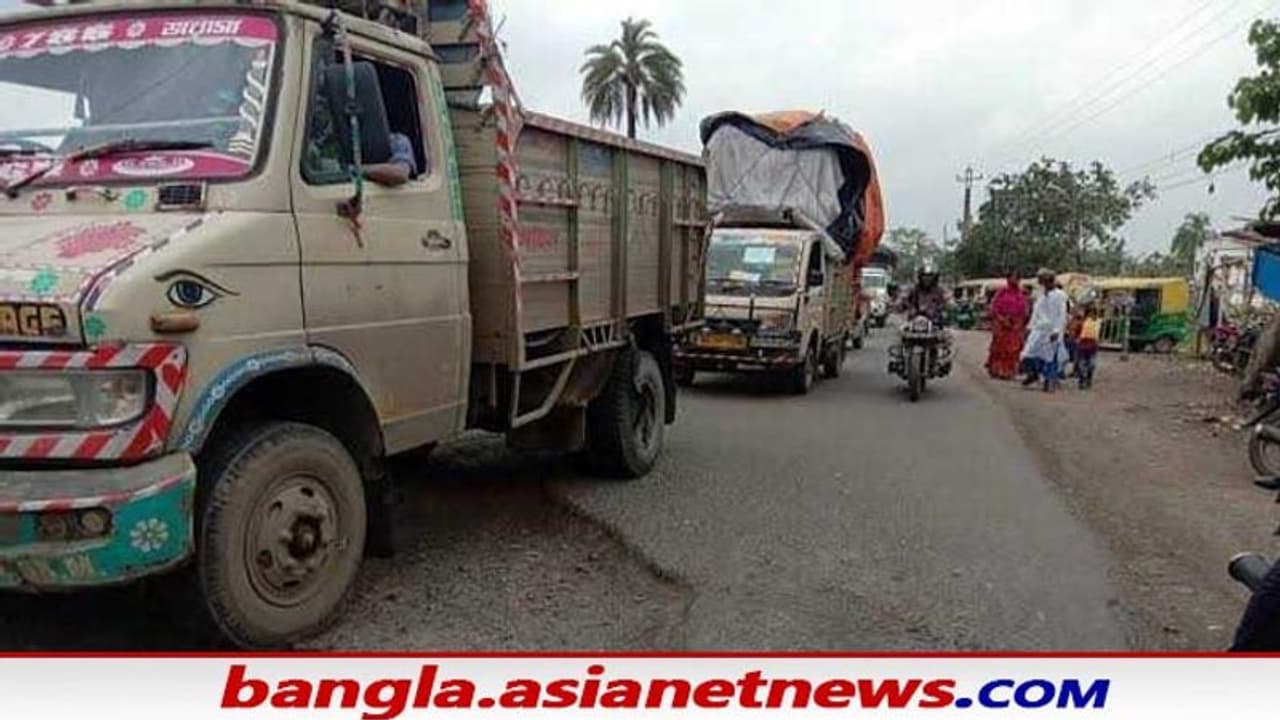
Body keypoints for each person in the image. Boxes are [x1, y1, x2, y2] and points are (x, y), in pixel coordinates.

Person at [1020, 268, 1069, 392]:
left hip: (1052, 331)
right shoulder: (1041, 297)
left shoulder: (1060, 296)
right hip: (1039, 330)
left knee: (1050, 357)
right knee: (1028, 354)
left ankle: (1049, 381)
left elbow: (1061, 315)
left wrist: (1057, 331)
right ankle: (1033, 374)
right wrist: (1029, 328)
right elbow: (1035, 314)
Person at [985, 273, 1029, 379]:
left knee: (1013, 349)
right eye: (1012, 278)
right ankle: (997, 370)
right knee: (999, 348)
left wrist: (1019, 323)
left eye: (1017, 278)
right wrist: (1002, 319)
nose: (1014, 281)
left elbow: (1025, 311)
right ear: (1008, 279)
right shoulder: (1001, 293)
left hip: (1015, 326)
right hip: (1001, 324)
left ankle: (1009, 371)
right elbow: (994, 308)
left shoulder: (1021, 295)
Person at [1075, 306, 1101, 389]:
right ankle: (1082, 380)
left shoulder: (1097, 322)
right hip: (1083, 345)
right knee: (1082, 364)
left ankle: (1088, 378)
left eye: (1093, 313)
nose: (1092, 315)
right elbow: (1077, 332)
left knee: (1091, 364)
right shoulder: (1082, 322)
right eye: (1090, 313)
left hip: (1092, 346)